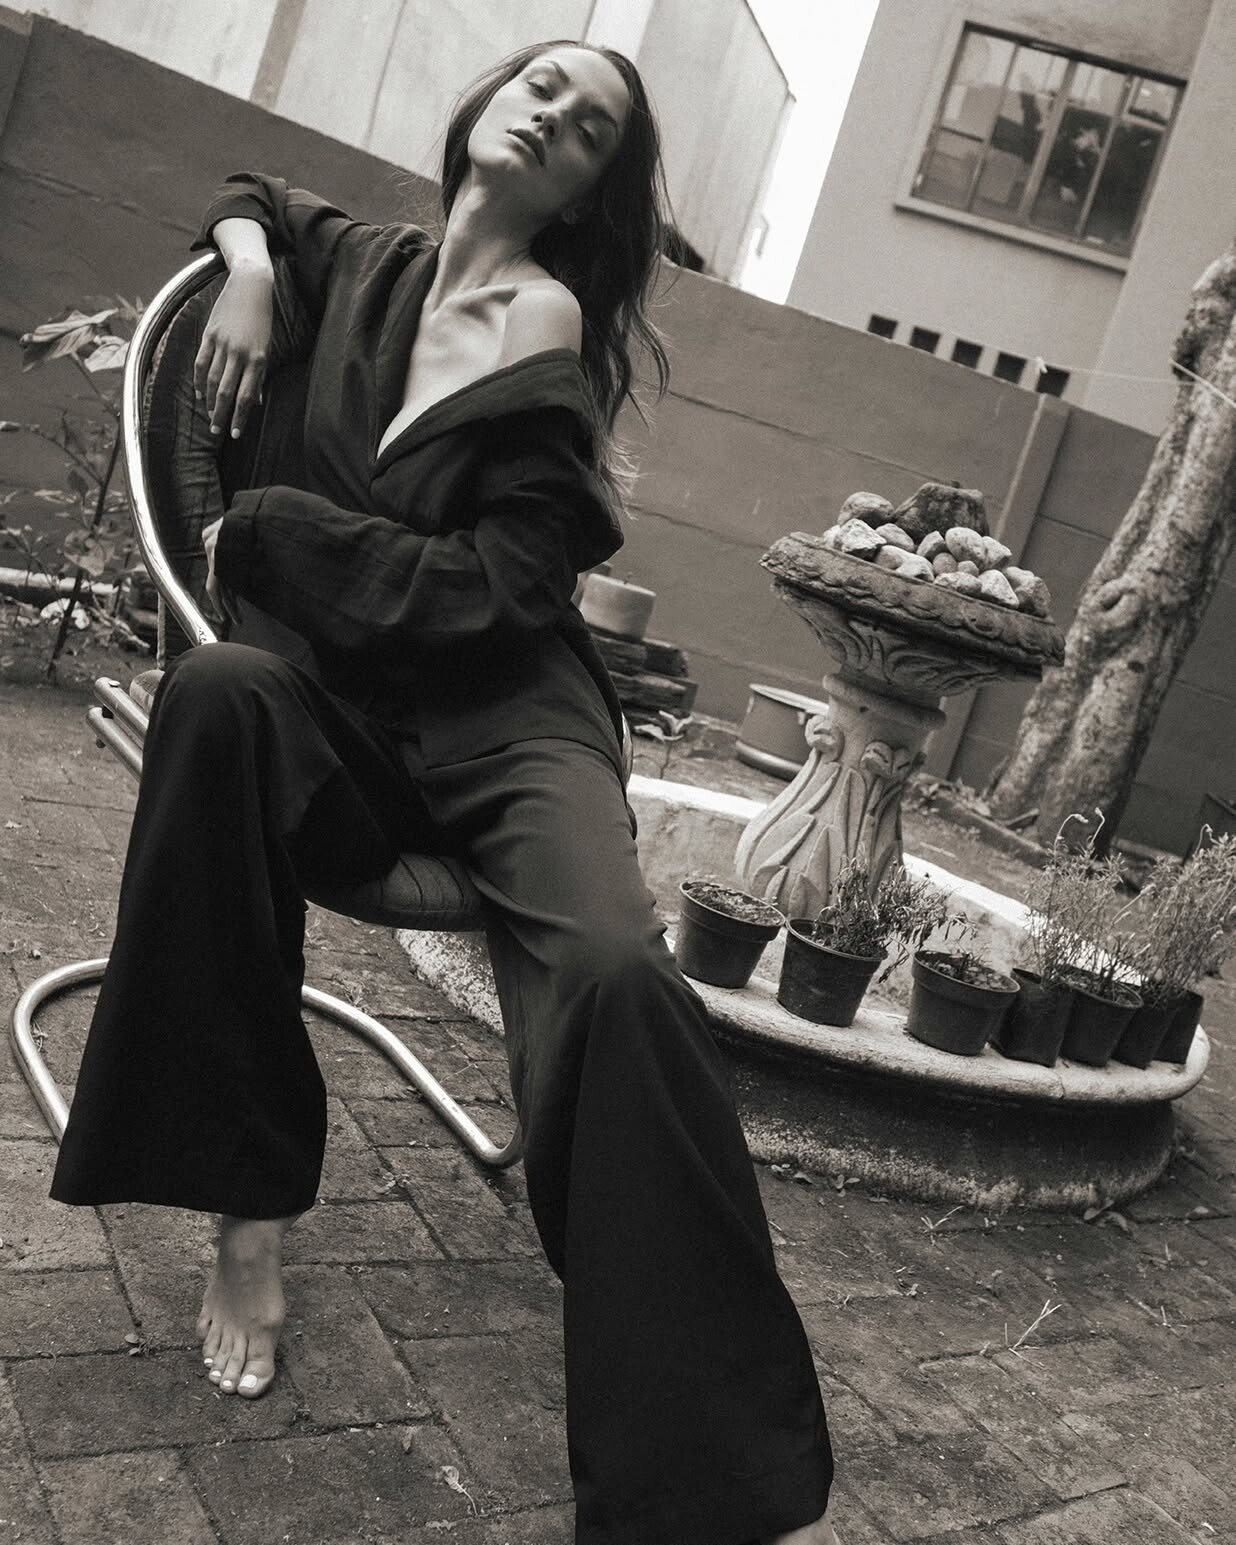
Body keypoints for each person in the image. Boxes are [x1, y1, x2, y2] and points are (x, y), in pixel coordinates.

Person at [49, 40, 840, 1545]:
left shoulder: (548, 339)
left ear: (589, 190)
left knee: (616, 973)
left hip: (510, 728)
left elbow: (497, 595)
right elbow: (255, 192)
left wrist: (272, 532)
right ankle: (248, 1215)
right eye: (542, 87)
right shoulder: (355, 260)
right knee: (217, 697)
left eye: (589, 127)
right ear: (485, 106)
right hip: (340, 724)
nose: (552, 118)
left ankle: (708, 1479)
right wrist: (249, 268)